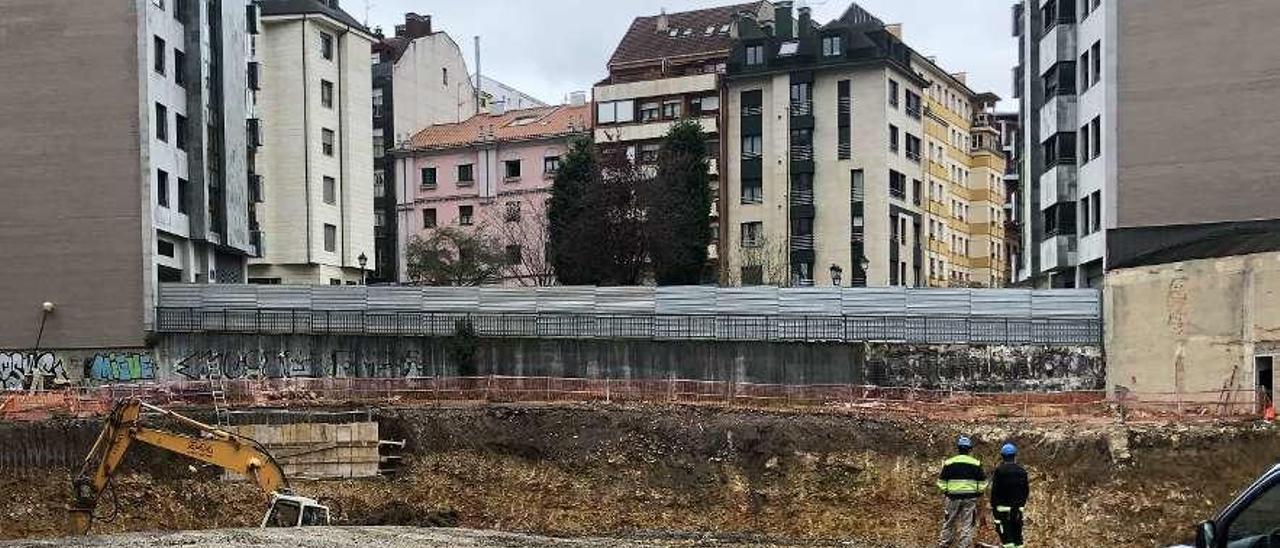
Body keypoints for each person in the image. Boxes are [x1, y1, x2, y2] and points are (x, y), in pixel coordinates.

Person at [937, 435, 986, 548]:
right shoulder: (976, 463)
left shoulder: (949, 463)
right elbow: (982, 483)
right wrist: (977, 493)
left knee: (949, 522)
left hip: (953, 498)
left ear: (958, 448)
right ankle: (964, 546)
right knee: (967, 524)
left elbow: (941, 482)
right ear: (969, 449)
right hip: (970, 498)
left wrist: (947, 491)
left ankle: (944, 544)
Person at [990, 443, 1030, 548]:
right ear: (1015, 455)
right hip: (1017, 510)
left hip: (1003, 510)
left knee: (1007, 539)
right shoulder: (1022, 471)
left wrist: (994, 508)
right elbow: (1026, 491)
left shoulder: (999, 471)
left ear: (1002, 456)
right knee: (1017, 537)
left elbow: (995, 491)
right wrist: (1021, 506)